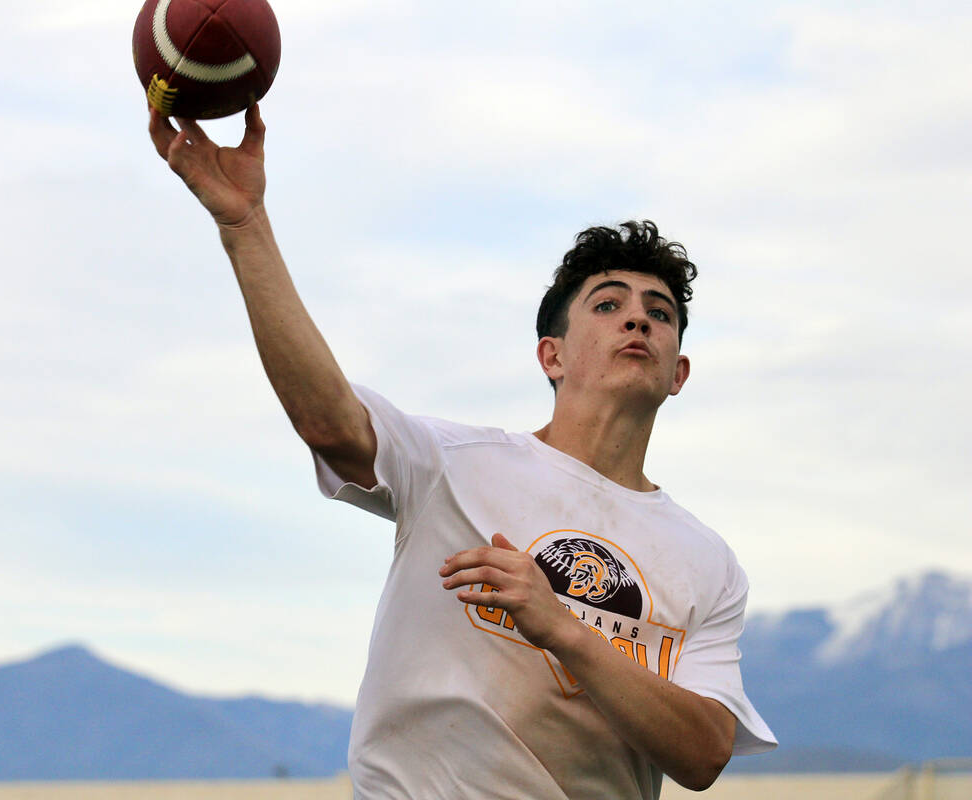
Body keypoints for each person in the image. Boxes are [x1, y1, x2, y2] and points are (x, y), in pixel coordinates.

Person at [147, 105, 777, 799]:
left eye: (660, 314)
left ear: (677, 373)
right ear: (552, 355)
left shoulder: (706, 561)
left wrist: (563, 629)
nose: (638, 318)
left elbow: (705, 753)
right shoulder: (451, 462)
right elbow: (329, 423)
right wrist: (244, 226)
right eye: (607, 304)